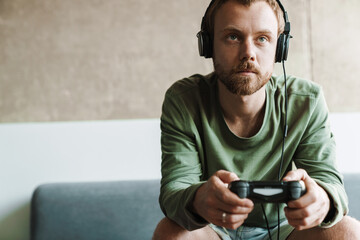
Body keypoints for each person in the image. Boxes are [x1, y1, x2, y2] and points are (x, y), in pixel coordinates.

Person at [153, 0, 360, 239]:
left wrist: (321, 199)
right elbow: (174, 191)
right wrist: (199, 200)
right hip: (213, 229)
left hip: (286, 230)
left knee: (348, 232)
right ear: (208, 45)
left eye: (262, 38)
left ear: (280, 47)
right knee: (170, 232)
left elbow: (331, 184)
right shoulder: (183, 100)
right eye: (232, 37)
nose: (248, 53)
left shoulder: (306, 101)